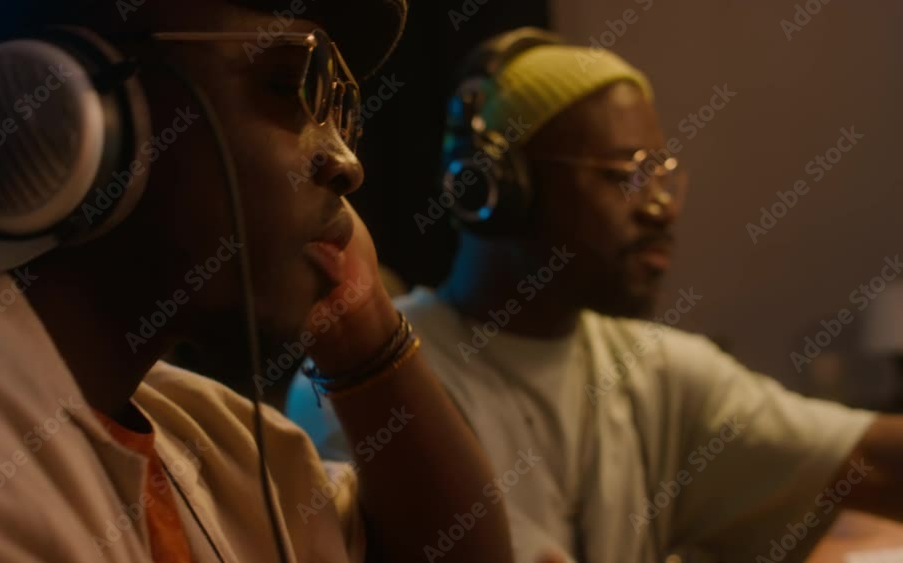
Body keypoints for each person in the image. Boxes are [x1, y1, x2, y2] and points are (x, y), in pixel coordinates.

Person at [0, 1, 515, 562]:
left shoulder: (221, 441)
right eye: (286, 85)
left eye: (340, 113)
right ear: (49, 106)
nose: (348, 164)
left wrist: (367, 333)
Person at [288, 27, 903, 563]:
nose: (659, 207)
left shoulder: (650, 366)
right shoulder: (363, 383)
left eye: (663, 175)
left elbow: (872, 463)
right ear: (500, 187)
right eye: (626, 175)